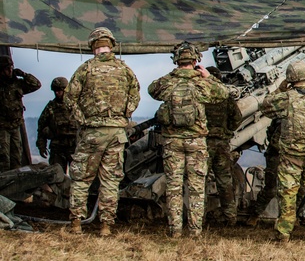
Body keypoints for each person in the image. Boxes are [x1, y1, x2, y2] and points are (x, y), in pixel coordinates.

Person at [148, 42, 229, 238]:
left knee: (174, 187)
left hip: (172, 141)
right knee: (196, 188)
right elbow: (223, 93)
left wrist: (174, 74)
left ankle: (174, 230)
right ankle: (195, 231)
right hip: (196, 142)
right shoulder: (201, 82)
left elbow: (152, 89)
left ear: (176, 60)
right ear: (195, 60)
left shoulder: (169, 82)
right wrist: (208, 77)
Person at [65, 27, 140, 236]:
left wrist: (83, 120)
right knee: (110, 180)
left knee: (81, 178)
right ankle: (106, 226)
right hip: (116, 133)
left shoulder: (85, 69)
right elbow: (135, 96)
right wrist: (124, 116)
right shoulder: (124, 70)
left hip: (92, 132)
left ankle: (77, 223)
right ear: (111, 44)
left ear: (92, 46)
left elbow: (70, 98)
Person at [259, 60, 305, 242]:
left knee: (287, 194)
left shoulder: (287, 98)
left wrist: (281, 89)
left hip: (291, 156)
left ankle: (283, 234)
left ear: (291, 78)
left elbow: (266, 106)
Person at [204, 66, 242, 226]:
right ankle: (230, 217)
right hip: (222, 144)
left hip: (203, 143)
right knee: (225, 181)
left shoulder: (201, 95)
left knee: (199, 180)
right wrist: (227, 131)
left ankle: (199, 217)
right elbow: (237, 118)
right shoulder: (225, 97)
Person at [0, 55, 42, 171]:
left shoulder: (17, 83)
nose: (9, 71)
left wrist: (24, 75)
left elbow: (36, 84)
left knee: (16, 156)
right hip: (2, 127)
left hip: (15, 126)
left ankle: (16, 183)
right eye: (6, 68)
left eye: (11, 68)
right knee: (3, 157)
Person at [36, 77, 78, 173]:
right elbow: (41, 126)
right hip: (58, 147)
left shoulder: (75, 105)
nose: (57, 93)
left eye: (59, 90)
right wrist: (41, 146)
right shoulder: (50, 107)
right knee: (57, 175)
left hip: (74, 146)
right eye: (55, 91)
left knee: (78, 176)